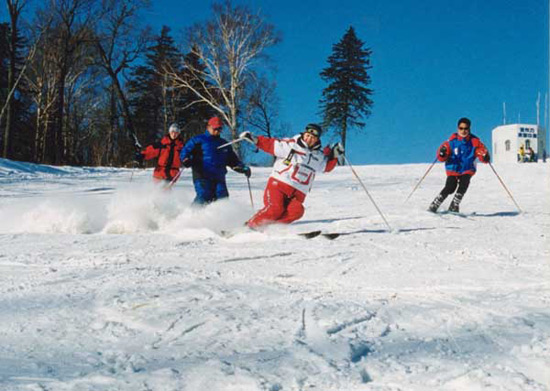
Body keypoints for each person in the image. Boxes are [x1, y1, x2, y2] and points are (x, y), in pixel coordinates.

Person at [239, 123, 342, 229]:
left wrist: (334, 155)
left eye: (312, 137)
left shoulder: (318, 156)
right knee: (275, 209)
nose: (309, 139)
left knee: (297, 211)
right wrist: (254, 139)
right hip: (279, 185)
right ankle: (247, 228)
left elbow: (326, 167)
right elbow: (270, 145)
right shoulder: (290, 145)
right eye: (307, 135)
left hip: (298, 193)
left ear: (317, 139)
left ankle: (272, 228)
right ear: (303, 134)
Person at [179, 116, 251, 205]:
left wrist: (243, 168)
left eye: (219, 129)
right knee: (204, 195)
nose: (217, 131)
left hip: (218, 176)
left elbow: (233, 160)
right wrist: (185, 159)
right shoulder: (198, 140)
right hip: (202, 175)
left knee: (222, 199)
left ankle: (218, 218)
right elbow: (185, 151)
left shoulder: (224, 144)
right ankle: (192, 214)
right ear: (208, 127)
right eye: (215, 128)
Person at [428, 117, 490, 213]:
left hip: (467, 168)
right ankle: (435, 204)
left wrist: (485, 156)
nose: (463, 131)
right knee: (450, 187)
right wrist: (442, 153)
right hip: (453, 168)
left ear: (469, 129)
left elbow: (482, 153)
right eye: (461, 128)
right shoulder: (451, 142)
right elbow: (441, 157)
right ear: (458, 129)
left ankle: (454, 205)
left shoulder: (475, 142)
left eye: (466, 128)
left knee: (464, 183)